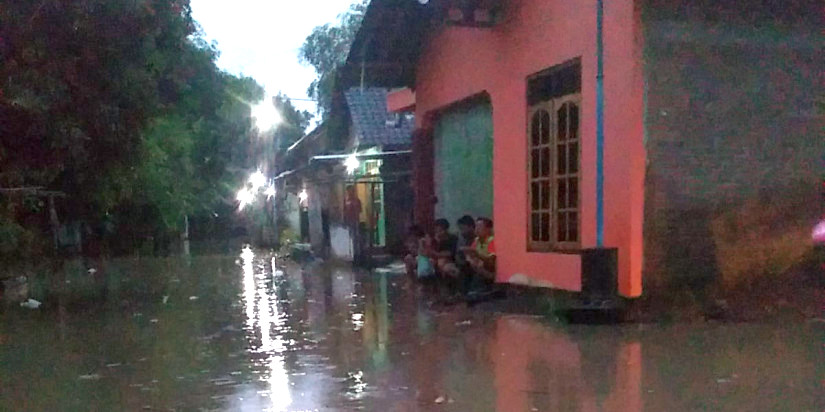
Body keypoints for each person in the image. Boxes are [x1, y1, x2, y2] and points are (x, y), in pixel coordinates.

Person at [344, 185, 362, 258]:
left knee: (356, 237)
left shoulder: (357, 200)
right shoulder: (345, 201)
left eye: (351, 191)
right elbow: (344, 211)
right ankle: (350, 253)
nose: (350, 192)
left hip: (355, 221)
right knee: (349, 238)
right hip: (348, 222)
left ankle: (357, 253)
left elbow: (360, 210)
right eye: (348, 191)